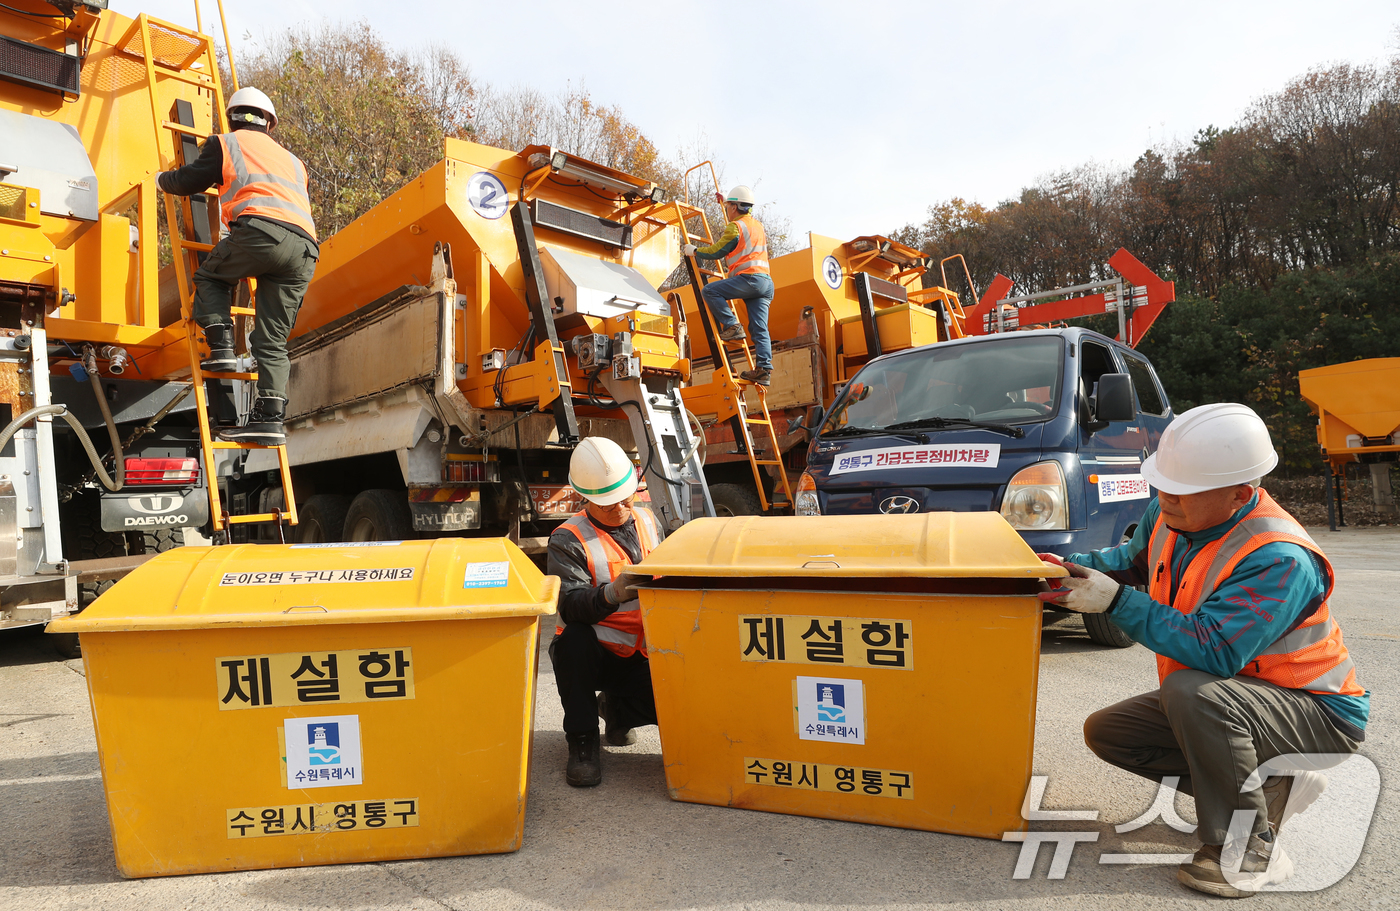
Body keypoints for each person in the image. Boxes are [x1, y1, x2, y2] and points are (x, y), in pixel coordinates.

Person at [1039, 403, 1368, 898]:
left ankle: (1251, 848)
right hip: (1246, 700)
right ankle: (1269, 790)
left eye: (1183, 489)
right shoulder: (1170, 514)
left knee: (1193, 690)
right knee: (1111, 733)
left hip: (1320, 714)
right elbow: (1126, 566)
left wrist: (1117, 603)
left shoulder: (1279, 557)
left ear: (1241, 493)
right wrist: (1061, 568)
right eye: (1163, 483)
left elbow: (1214, 650)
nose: (1165, 497)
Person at [157, 86, 319, 446]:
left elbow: (187, 182)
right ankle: (271, 420)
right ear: (269, 123)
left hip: (261, 232)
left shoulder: (225, 143)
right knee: (272, 340)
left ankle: (222, 348)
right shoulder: (294, 162)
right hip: (305, 248)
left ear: (232, 117)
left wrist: (160, 179)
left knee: (211, 277)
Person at [547, 436, 664, 787]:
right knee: (573, 641)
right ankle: (583, 741)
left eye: (625, 499)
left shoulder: (647, 520)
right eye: (608, 504)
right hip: (596, 654)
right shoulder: (567, 538)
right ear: (586, 500)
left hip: (644, 652)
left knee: (682, 701)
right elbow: (570, 604)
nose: (619, 508)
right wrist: (611, 594)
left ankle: (617, 710)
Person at [683, 185, 774, 386]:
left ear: (734, 207)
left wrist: (695, 250)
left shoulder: (736, 227)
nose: (727, 209)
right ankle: (763, 370)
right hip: (765, 283)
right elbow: (739, 230)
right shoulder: (756, 225)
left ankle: (732, 326)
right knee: (760, 329)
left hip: (750, 279)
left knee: (710, 290)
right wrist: (725, 200)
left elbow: (718, 250)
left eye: (728, 206)